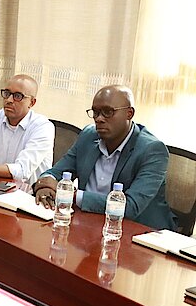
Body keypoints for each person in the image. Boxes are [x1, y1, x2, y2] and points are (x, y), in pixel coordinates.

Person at [34, 85, 175, 230]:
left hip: (137, 232)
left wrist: (71, 195)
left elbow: (130, 207)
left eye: (108, 112)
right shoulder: (88, 136)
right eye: (95, 113)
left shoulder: (152, 150)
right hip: (86, 223)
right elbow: (55, 173)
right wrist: (44, 186)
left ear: (129, 113)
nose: (99, 119)